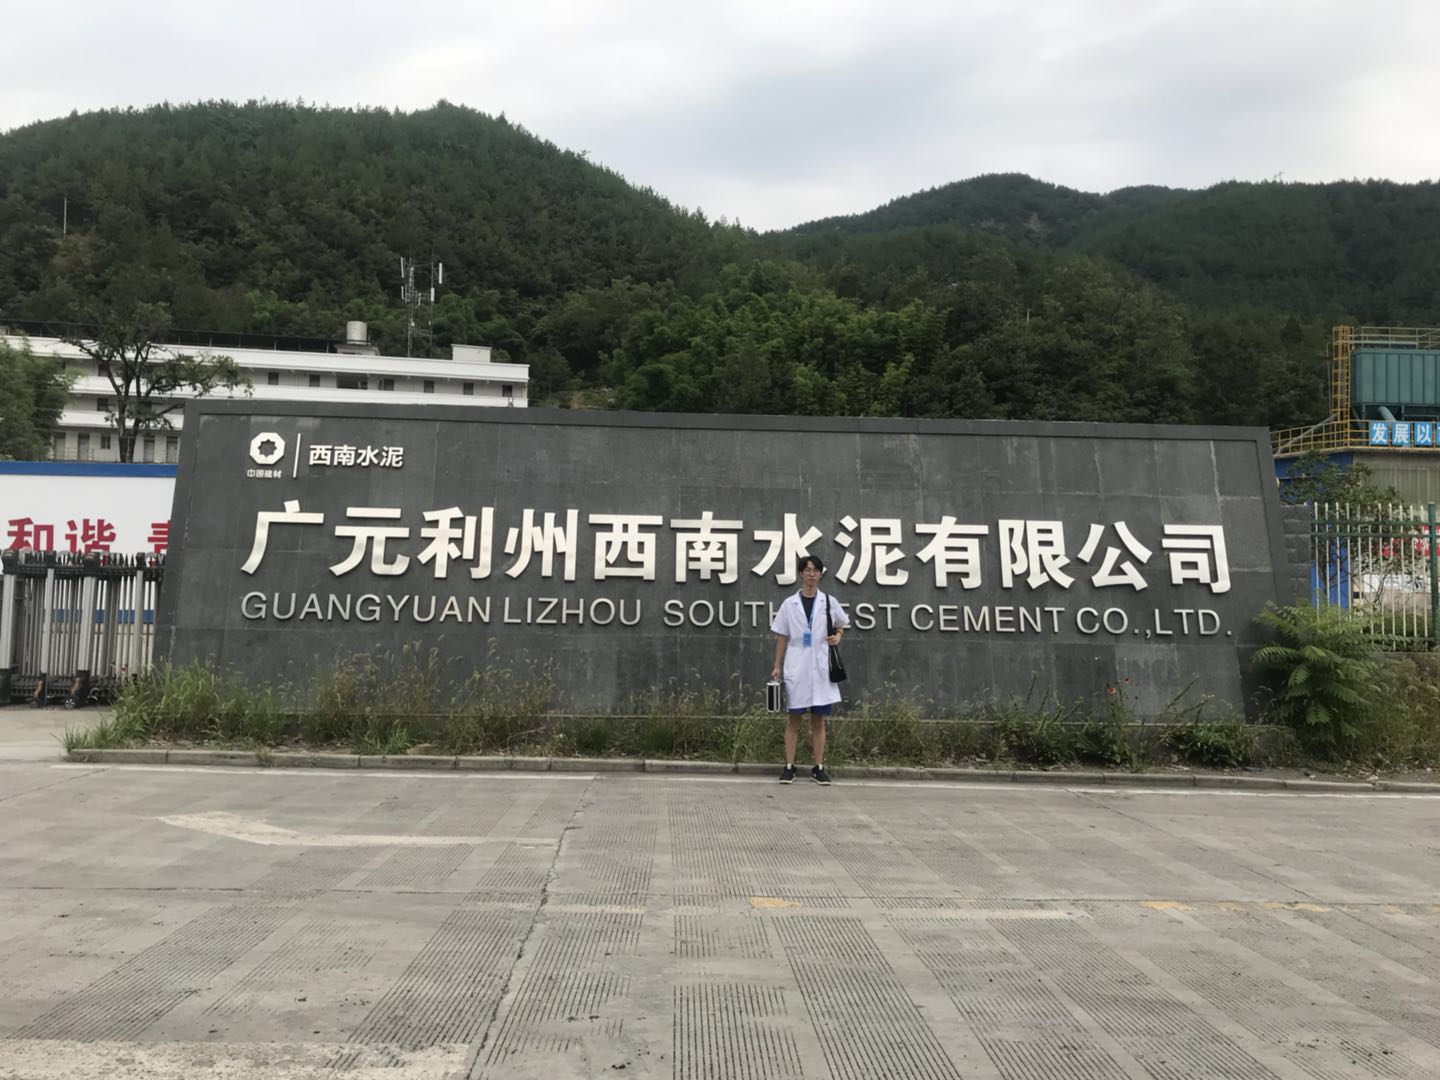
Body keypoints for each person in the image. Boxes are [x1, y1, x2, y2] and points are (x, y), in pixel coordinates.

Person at [770, 554, 849, 785]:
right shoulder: (789, 604)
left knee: (818, 720)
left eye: (815, 570)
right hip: (796, 665)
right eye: (807, 570)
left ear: (820, 574)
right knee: (794, 719)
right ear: (801, 574)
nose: (811, 574)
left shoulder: (829, 601)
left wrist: (838, 636)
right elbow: (782, 636)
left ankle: (818, 767)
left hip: (821, 667)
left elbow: (842, 625)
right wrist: (777, 665)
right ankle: (789, 766)